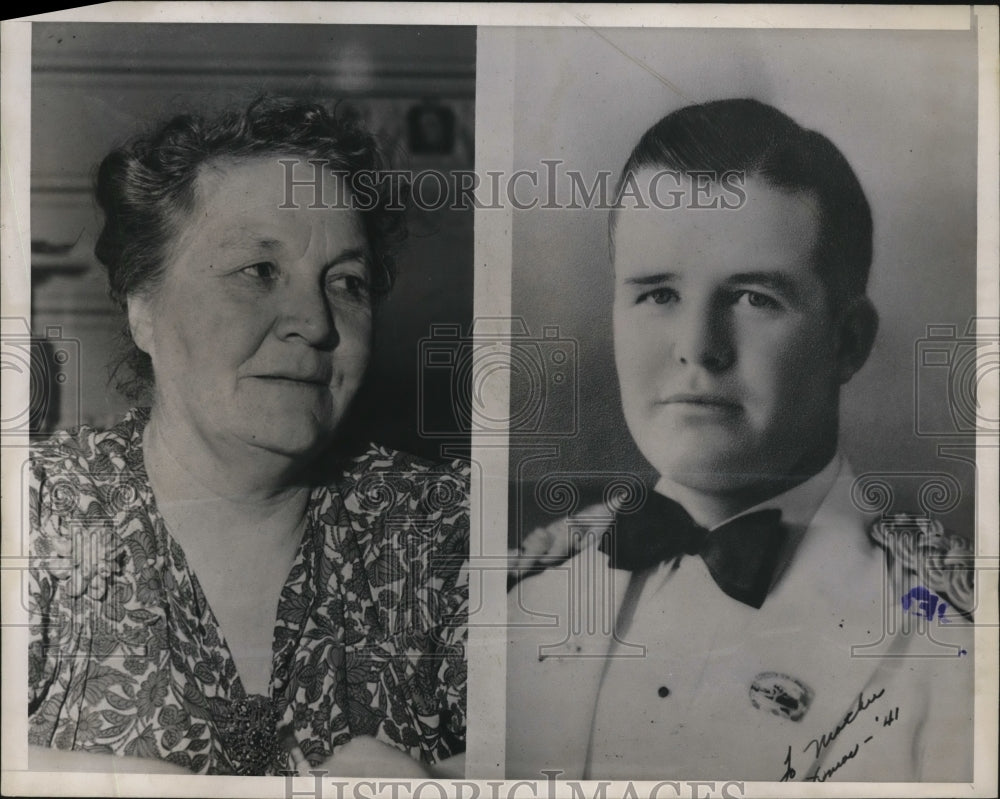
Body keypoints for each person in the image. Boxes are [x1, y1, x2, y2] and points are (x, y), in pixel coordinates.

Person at [506, 99, 974, 782]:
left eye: (754, 297)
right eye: (657, 294)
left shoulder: (955, 649)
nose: (698, 348)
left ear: (847, 342)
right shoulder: (520, 604)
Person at [28, 97, 468, 777]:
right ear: (143, 308)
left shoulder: (446, 526)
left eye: (347, 283)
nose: (315, 323)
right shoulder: (37, 512)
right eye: (258, 272)